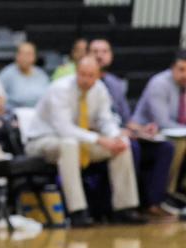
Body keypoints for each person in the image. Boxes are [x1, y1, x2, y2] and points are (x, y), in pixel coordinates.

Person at [24, 56, 144, 227]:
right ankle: (77, 212)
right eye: (82, 74)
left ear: (98, 75)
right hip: (42, 141)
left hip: (80, 140)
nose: (86, 79)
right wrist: (100, 139)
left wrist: (115, 136)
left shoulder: (100, 89)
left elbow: (106, 120)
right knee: (69, 144)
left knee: (122, 145)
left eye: (90, 75)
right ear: (76, 72)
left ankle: (124, 208)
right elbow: (64, 129)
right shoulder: (60, 89)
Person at [88, 38, 175, 219]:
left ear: (111, 56)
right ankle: (128, 205)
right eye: (95, 51)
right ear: (86, 55)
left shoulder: (116, 84)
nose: (99, 56)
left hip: (121, 133)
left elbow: (127, 120)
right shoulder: (85, 83)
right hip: (99, 137)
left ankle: (153, 203)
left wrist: (142, 130)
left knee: (165, 148)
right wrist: (121, 133)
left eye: (104, 52)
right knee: (130, 147)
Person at [132, 50, 186, 209]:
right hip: (146, 133)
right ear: (172, 68)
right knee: (180, 143)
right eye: (181, 69)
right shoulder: (159, 83)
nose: (184, 74)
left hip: (174, 131)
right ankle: (168, 193)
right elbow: (163, 123)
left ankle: (182, 190)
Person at [0, 41, 49, 108]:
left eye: (28, 54)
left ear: (34, 57)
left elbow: (47, 97)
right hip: (14, 113)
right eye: (21, 53)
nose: (24, 57)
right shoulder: (7, 74)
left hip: (38, 112)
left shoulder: (42, 75)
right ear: (16, 56)